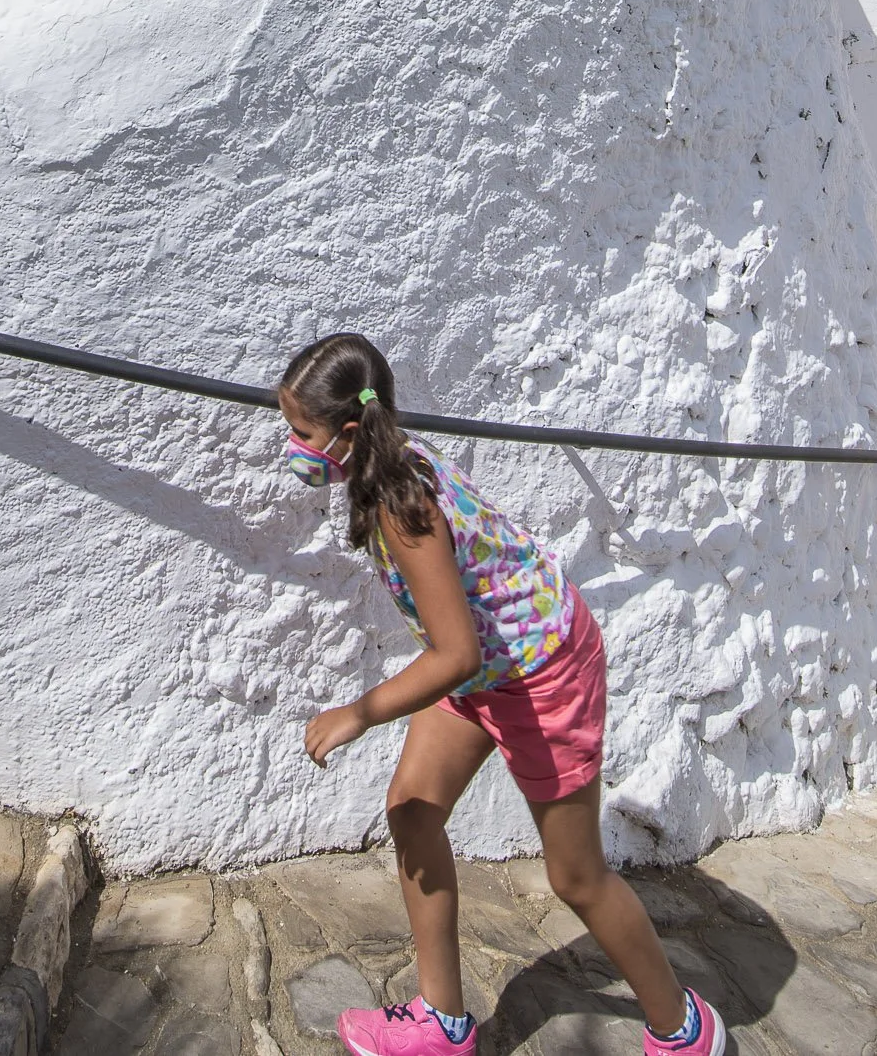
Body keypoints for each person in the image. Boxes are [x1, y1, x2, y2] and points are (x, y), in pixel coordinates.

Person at [278, 335, 724, 1056]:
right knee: (412, 811)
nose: (292, 446)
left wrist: (356, 713)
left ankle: (684, 1028)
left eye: (301, 432)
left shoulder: (402, 504)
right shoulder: (386, 463)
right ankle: (443, 1022)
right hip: (488, 667)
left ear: (348, 433)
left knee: (575, 877)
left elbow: (452, 655)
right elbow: (462, 650)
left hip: (541, 671)